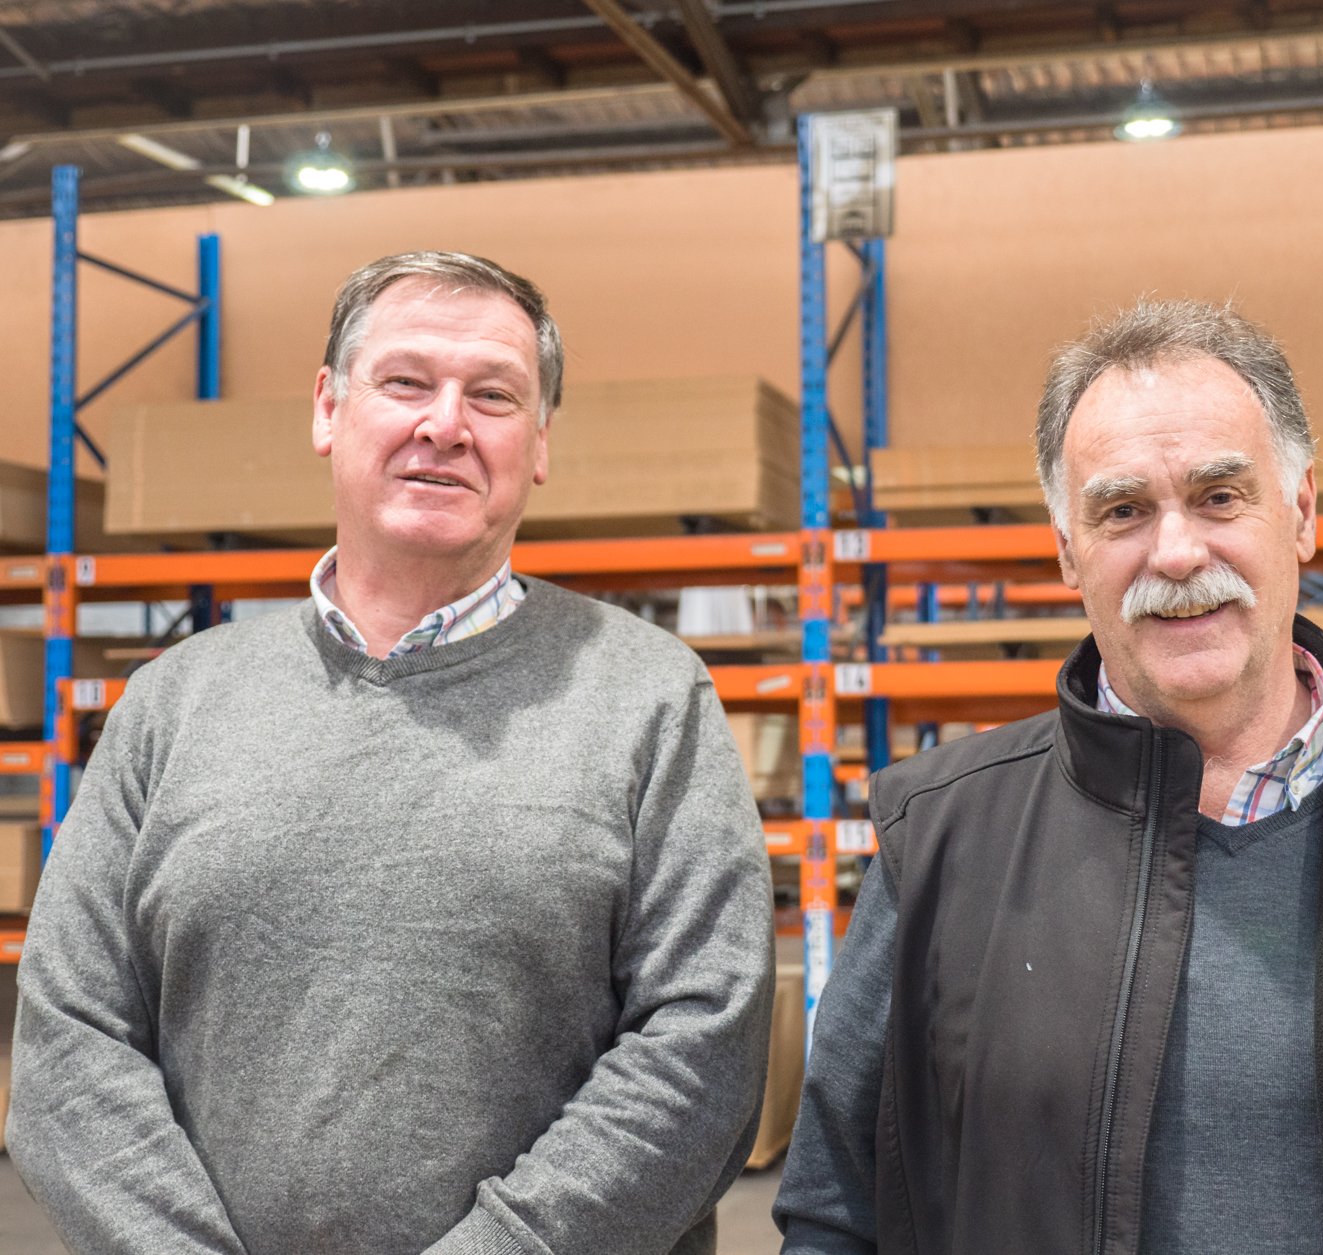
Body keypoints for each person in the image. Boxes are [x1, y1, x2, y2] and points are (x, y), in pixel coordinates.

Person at [774, 300, 1323, 1254]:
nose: (1175, 552)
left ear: (1301, 512)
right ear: (1067, 551)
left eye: (1218, 496)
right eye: (1122, 510)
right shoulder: (940, 843)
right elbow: (838, 1214)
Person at [9, 251, 775, 1255]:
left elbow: (704, 1044)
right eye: (406, 381)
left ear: (538, 442)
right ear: (328, 408)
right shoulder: (174, 702)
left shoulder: (648, 697)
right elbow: (70, 1036)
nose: (444, 424)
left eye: (492, 395)